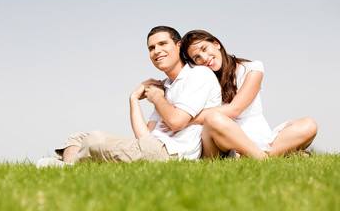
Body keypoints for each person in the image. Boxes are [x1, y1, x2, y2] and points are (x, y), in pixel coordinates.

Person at [36, 26, 222, 167]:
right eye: (151, 48)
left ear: (178, 45)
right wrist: (133, 99)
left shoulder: (198, 75)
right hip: (151, 145)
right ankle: (70, 169)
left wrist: (157, 97)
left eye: (163, 44)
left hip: (172, 153)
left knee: (96, 139)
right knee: (77, 137)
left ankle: (70, 168)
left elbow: (177, 122)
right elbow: (145, 136)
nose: (156, 51)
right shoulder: (166, 87)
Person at [176, 29, 318, 159]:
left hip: (258, 138)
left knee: (309, 125)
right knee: (214, 119)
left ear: (216, 44)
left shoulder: (252, 69)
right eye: (197, 58)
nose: (204, 58)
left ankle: (250, 155)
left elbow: (235, 110)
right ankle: (266, 158)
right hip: (220, 141)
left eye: (205, 49)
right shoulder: (201, 79)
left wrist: (185, 119)